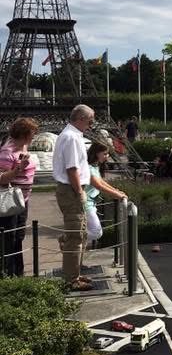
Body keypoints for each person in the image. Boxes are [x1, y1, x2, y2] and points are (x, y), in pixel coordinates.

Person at [52, 104, 95, 291]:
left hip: (70, 190)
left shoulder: (70, 135)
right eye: (90, 121)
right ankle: (71, 279)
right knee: (76, 235)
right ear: (81, 118)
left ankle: (73, 273)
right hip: (71, 191)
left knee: (79, 233)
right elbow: (72, 169)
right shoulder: (71, 137)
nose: (91, 125)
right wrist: (80, 192)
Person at [0, 117, 39, 276]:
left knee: (18, 237)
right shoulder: (7, 152)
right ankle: (9, 274)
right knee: (10, 239)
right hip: (11, 202)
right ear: (24, 134)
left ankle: (18, 273)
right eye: (32, 133)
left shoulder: (23, 146)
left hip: (23, 201)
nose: (34, 136)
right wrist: (18, 168)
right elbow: (2, 179)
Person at [86, 142, 128, 242]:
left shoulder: (94, 166)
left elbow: (101, 182)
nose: (107, 156)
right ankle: (69, 237)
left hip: (91, 203)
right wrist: (118, 195)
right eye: (104, 154)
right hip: (86, 204)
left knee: (91, 230)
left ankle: (70, 239)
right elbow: (99, 185)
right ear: (96, 153)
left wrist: (116, 191)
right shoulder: (88, 168)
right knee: (97, 232)